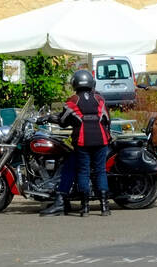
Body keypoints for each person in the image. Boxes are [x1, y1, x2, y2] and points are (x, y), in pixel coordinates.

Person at [40, 68, 111, 217]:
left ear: (75, 83)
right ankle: (105, 207)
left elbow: (63, 121)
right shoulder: (100, 99)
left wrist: (50, 118)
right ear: (91, 83)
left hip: (83, 141)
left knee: (83, 171)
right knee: (100, 171)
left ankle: (85, 208)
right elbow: (107, 119)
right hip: (101, 140)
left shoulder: (73, 100)